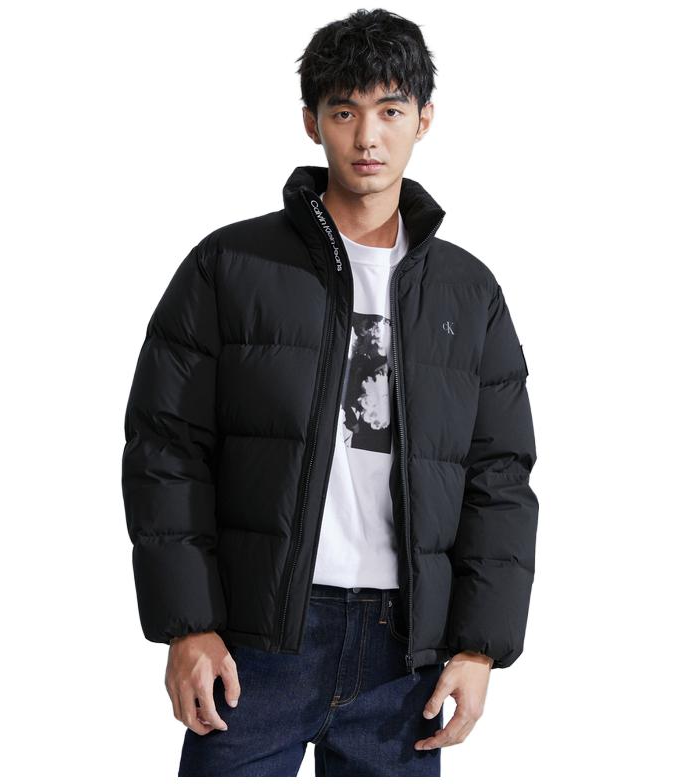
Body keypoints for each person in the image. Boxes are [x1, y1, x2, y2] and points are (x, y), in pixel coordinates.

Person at [121, 8, 539, 776]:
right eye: (344, 112)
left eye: (390, 111)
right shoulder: (229, 266)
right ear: (311, 122)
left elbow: (499, 477)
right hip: (256, 641)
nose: (366, 136)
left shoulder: (466, 291)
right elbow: (166, 450)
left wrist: (479, 647)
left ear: (424, 121)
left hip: (403, 654)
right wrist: (188, 626)